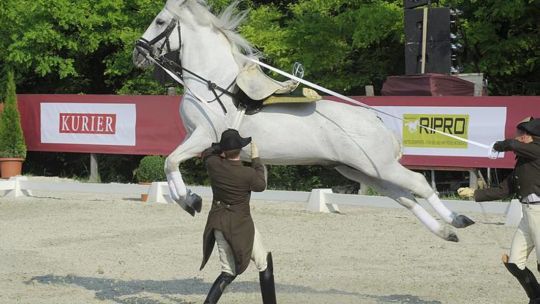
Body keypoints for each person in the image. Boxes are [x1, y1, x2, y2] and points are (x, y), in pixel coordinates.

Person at [458, 117, 540, 304]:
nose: (518, 137)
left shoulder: (537, 150)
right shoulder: (524, 163)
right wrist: (475, 193)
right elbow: (504, 189)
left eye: (521, 134)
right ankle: (536, 297)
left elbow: (510, 144)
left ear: (530, 137)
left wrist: (497, 145)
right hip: (528, 215)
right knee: (514, 263)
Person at [199, 129, 276, 304]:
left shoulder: (213, 164)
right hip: (242, 225)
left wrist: (221, 146)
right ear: (240, 150)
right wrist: (256, 158)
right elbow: (261, 184)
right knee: (263, 263)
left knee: (227, 272)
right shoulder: (247, 174)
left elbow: (207, 152)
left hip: (218, 222)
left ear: (224, 150)